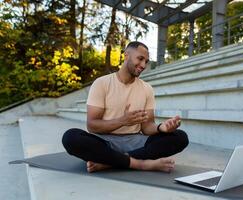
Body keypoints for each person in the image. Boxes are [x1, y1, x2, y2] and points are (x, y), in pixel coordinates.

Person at [62, 41, 189, 173]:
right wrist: (123, 120)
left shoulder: (147, 89)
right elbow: (92, 125)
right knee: (71, 137)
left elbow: (146, 128)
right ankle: (141, 164)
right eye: (140, 59)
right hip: (105, 141)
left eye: (146, 61)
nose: (143, 65)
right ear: (126, 55)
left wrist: (161, 127)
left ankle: (109, 163)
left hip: (135, 141)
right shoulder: (101, 83)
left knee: (180, 137)